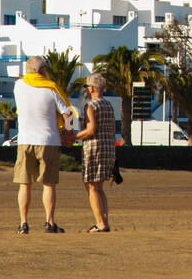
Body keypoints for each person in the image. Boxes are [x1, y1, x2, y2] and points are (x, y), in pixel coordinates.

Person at [12, 56, 75, 234]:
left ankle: (23, 224)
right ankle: (49, 222)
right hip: (49, 140)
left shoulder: (18, 86)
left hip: (24, 140)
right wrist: (69, 133)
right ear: (42, 70)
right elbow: (67, 114)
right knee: (49, 184)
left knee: (24, 184)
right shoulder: (51, 88)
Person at [74, 73, 116, 232]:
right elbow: (112, 130)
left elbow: (91, 129)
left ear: (91, 88)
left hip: (94, 148)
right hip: (108, 147)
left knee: (91, 186)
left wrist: (75, 137)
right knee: (99, 187)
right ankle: (104, 221)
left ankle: (100, 223)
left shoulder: (90, 106)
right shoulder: (108, 105)